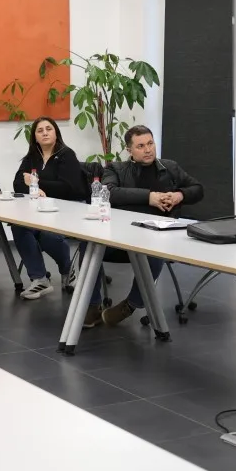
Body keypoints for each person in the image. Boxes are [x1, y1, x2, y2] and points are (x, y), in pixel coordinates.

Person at [94, 126, 203, 329]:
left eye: (150, 144)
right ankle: (91, 306)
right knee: (88, 245)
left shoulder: (170, 168)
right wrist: (149, 197)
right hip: (121, 238)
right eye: (141, 146)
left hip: (156, 239)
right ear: (129, 150)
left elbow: (198, 189)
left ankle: (131, 305)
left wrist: (180, 195)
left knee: (154, 250)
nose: (148, 150)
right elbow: (109, 192)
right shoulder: (115, 169)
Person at [10, 116, 87, 300]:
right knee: (18, 226)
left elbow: (69, 188)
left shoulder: (66, 155)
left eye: (48, 129)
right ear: (35, 137)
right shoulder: (32, 157)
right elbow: (18, 183)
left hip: (68, 210)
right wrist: (35, 188)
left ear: (56, 133)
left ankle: (67, 271)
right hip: (38, 210)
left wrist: (36, 183)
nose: (44, 133)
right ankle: (40, 279)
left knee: (47, 234)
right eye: (40, 130)